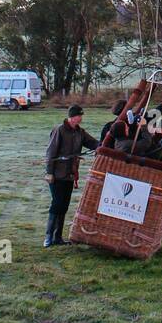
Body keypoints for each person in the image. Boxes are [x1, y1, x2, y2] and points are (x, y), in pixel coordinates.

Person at [44, 105, 98, 248]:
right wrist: (49, 172)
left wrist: (104, 147)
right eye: (80, 115)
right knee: (57, 204)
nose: (81, 118)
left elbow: (93, 143)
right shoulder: (59, 130)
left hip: (70, 175)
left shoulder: (80, 132)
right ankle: (48, 237)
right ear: (73, 116)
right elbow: (50, 153)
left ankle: (58, 237)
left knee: (64, 206)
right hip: (57, 175)